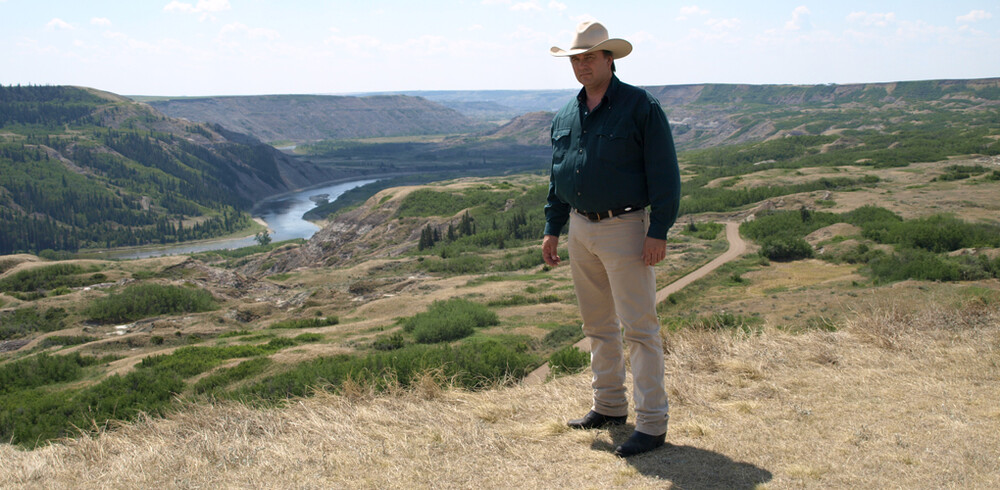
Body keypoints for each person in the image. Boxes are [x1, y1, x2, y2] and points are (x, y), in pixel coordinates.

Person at [542, 20, 681, 457]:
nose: (581, 65)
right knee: (597, 325)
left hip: (625, 227)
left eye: (589, 57)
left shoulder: (641, 106)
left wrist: (657, 231)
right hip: (581, 228)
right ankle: (608, 406)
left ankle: (653, 423)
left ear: (610, 59)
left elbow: (666, 175)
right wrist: (553, 226)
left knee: (639, 329)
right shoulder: (567, 113)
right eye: (575, 59)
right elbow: (559, 173)